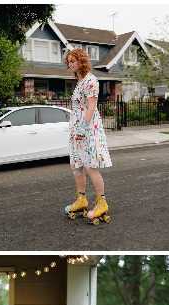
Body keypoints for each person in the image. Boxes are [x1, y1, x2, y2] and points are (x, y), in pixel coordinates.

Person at [62, 48, 112, 224]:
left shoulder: (91, 80)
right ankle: (81, 199)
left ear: (81, 61)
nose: (70, 64)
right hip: (76, 129)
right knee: (77, 166)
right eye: (68, 62)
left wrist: (82, 129)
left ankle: (102, 202)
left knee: (91, 167)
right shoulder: (79, 81)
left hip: (88, 130)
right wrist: (75, 129)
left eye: (73, 61)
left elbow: (91, 108)